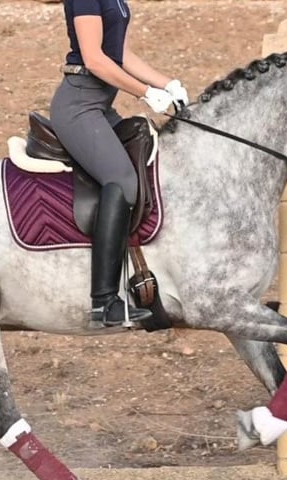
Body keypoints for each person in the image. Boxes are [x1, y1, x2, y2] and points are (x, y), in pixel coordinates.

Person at [49, 0, 189, 328]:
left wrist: (166, 83)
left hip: (100, 104)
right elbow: (95, 58)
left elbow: (119, 53)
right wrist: (145, 93)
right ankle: (104, 302)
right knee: (122, 179)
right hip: (79, 106)